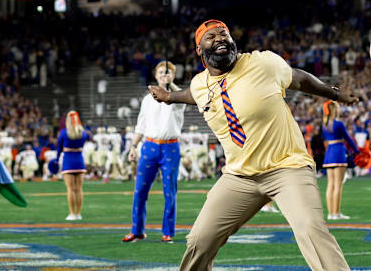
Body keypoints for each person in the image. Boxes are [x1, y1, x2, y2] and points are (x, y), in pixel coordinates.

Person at [148, 19, 358, 271]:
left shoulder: (263, 63)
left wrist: (333, 93)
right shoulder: (199, 84)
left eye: (224, 34)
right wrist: (169, 97)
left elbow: (298, 78)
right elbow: (191, 96)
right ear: (199, 50)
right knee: (199, 241)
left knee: (310, 229)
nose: (219, 39)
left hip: (287, 167)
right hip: (239, 177)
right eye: (211, 37)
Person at [122, 61, 186, 244]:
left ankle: (168, 232)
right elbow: (141, 125)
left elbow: (179, 95)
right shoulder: (147, 99)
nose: (163, 74)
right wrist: (133, 146)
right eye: (160, 72)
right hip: (149, 146)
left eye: (167, 72)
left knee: (169, 192)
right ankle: (137, 230)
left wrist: (170, 86)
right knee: (140, 190)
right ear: (155, 75)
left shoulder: (178, 96)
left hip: (170, 147)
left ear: (172, 76)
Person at [321, 100, 359, 220]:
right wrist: (357, 151)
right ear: (335, 110)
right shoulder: (339, 124)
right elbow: (348, 139)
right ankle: (336, 213)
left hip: (329, 154)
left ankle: (330, 213)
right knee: (338, 185)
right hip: (338, 153)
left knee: (330, 185)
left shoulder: (324, 124)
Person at [56, 111, 91, 220]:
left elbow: (59, 148)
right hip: (79, 161)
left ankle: (72, 213)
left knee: (70, 189)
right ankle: (78, 213)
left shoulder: (63, 133)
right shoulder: (83, 133)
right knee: (79, 188)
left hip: (68, 161)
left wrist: (56, 159)